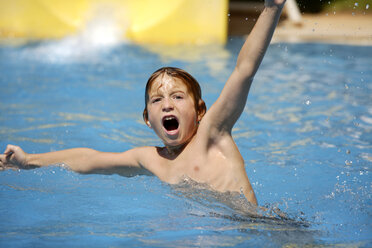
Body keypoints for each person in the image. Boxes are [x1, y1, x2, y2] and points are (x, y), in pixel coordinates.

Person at [0, 0, 286, 206]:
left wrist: (272, 8)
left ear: (200, 110)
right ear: (147, 119)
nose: (167, 105)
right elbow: (89, 159)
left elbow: (244, 70)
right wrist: (30, 161)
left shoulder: (213, 133)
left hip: (257, 229)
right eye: (157, 99)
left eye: (177, 97)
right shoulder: (152, 160)